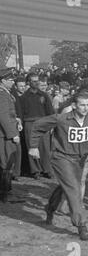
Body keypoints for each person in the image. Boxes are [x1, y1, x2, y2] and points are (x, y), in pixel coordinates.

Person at [29, 92, 88, 240]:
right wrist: (33, 146)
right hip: (62, 157)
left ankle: (50, 208)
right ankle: (81, 226)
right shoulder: (62, 118)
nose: (86, 108)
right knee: (74, 188)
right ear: (74, 105)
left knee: (66, 187)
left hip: (80, 160)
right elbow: (37, 125)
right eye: (82, 105)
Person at [20, 73, 54, 179]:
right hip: (29, 123)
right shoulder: (23, 97)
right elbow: (21, 113)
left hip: (43, 123)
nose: (36, 83)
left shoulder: (44, 95)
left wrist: (51, 124)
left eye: (37, 80)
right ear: (29, 82)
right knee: (32, 147)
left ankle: (47, 169)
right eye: (33, 81)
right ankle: (35, 171)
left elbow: (50, 111)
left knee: (45, 147)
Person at [0, 69, 20, 202]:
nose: (13, 82)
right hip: (5, 135)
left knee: (8, 164)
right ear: (3, 80)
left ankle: (6, 192)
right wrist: (13, 134)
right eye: (11, 80)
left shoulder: (6, 93)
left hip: (6, 133)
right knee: (6, 164)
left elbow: (9, 114)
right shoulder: (2, 95)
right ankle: (5, 194)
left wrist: (17, 120)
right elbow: (3, 116)